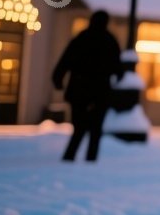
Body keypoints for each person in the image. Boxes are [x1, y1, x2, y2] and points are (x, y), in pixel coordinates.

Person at [52, 10, 123, 163]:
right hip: (100, 92)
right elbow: (118, 69)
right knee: (95, 129)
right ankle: (91, 158)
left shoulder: (82, 38)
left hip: (79, 90)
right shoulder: (109, 40)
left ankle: (70, 156)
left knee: (79, 127)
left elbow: (65, 61)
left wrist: (58, 79)